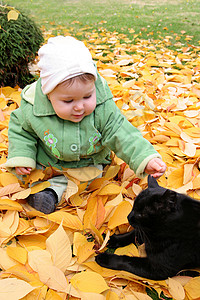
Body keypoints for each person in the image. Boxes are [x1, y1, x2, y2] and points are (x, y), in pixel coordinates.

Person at [5, 36, 166, 214]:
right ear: (48, 95)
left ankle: (63, 194)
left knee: (94, 180)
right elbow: (21, 131)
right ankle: (47, 193)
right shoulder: (33, 108)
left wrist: (146, 158)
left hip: (90, 162)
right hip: (50, 163)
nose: (79, 106)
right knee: (40, 178)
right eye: (68, 101)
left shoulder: (103, 108)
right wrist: (22, 156)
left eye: (87, 96)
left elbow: (121, 132)